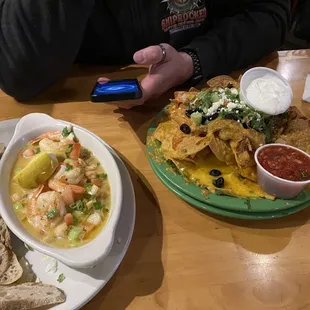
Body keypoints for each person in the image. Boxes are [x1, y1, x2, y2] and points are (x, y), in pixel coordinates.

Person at [0, 0, 290, 108]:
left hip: (195, 99)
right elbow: (18, 74)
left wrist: (192, 61)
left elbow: (270, 12)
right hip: (81, 118)